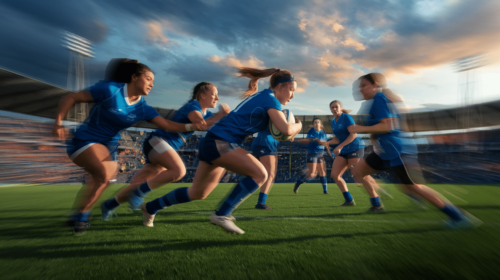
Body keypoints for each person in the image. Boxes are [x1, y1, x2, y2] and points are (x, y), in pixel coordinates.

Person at [140, 67, 302, 234]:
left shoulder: (264, 97)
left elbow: (283, 133)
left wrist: (289, 129)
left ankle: (150, 207)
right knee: (260, 174)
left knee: (198, 192)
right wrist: (299, 125)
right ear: (281, 87)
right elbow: (286, 130)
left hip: (212, 141)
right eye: (292, 90)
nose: (293, 95)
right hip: (221, 141)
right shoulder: (271, 100)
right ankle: (223, 215)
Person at [53, 59, 205, 235]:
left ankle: (80, 214)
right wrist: (58, 123)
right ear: (134, 77)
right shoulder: (110, 90)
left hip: (109, 144)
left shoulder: (143, 108)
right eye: (148, 79)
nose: (152, 84)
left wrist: (191, 127)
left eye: (153, 81)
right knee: (103, 175)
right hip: (85, 139)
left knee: (106, 178)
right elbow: (71, 97)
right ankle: (81, 218)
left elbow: (168, 126)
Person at [350, 73, 480, 228]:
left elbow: (387, 126)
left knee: (414, 187)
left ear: (375, 85)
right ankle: (378, 200)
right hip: (385, 151)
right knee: (358, 171)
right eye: (360, 86)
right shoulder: (378, 100)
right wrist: (373, 138)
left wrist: (360, 128)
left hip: (397, 150)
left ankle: (458, 216)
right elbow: (385, 124)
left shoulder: (378, 99)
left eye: (364, 85)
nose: (361, 89)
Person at [100, 82, 230, 219]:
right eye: (214, 94)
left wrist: (226, 117)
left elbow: (214, 123)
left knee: (138, 183)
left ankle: (109, 205)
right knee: (179, 171)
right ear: (202, 95)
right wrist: (221, 114)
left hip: (164, 145)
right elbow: (200, 125)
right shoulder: (193, 105)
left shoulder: (207, 113)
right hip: (159, 141)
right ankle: (140, 193)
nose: (217, 98)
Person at [319, 100, 365, 206]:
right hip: (344, 150)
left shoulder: (346, 117)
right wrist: (328, 143)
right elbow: (338, 138)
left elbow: (353, 134)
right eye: (332, 107)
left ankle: (377, 196)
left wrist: (339, 146)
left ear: (340, 107)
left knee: (360, 174)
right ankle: (349, 200)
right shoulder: (333, 122)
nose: (334, 109)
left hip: (355, 147)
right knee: (335, 175)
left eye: (336, 107)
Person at [293, 118, 329, 194]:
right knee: (312, 174)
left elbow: (326, 142)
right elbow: (310, 139)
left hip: (321, 154)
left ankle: (325, 191)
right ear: (313, 125)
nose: (316, 124)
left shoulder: (323, 133)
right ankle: (299, 182)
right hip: (313, 153)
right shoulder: (311, 132)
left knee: (323, 172)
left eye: (318, 122)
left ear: (320, 124)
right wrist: (316, 140)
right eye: (315, 122)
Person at [250, 126, 280, 210]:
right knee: (270, 175)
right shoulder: (275, 115)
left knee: (264, 175)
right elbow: (287, 130)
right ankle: (261, 202)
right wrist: (298, 125)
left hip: (266, 143)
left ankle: (261, 202)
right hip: (266, 144)